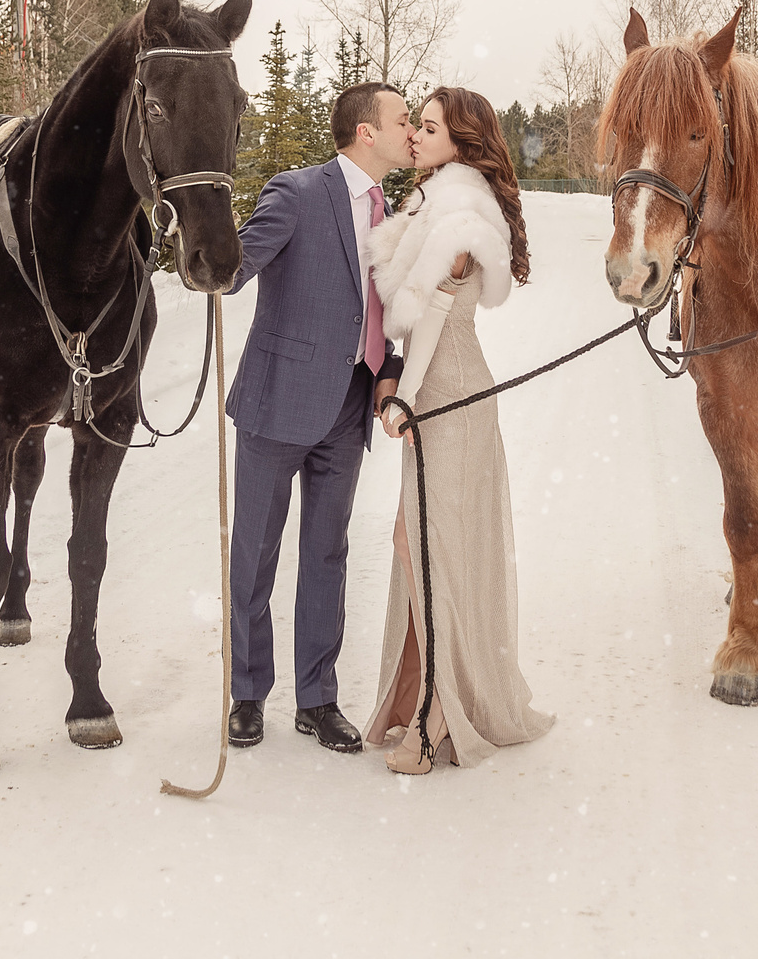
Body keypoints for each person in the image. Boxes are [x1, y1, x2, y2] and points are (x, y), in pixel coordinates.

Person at [364, 86, 555, 775]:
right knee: (420, 544)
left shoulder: (459, 211)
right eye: (416, 123)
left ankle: (437, 711)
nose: (415, 134)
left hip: (450, 398)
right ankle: (428, 692)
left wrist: (406, 399)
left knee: (433, 548)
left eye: (430, 127)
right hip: (437, 396)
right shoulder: (434, 201)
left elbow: (437, 314)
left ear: (462, 142)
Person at [221, 80, 414, 754]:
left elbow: (381, 308)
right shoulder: (298, 192)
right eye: (402, 119)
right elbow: (233, 265)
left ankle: (317, 698)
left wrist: (387, 373)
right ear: (367, 132)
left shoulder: (391, 212)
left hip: (349, 404)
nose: (410, 130)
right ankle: (248, 694)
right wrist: (201, 235)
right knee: (255, 552)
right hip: (277, 400)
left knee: (328, 553)